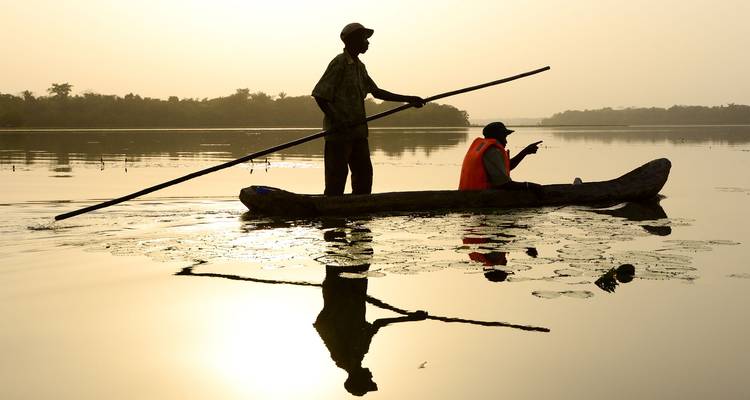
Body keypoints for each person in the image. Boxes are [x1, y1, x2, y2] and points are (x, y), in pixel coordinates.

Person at [313, 23, 425, 196]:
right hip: (338, 136)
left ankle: (360, 215)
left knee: (364, 176)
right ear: (352, 41)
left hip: (358, 133)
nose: (367, 43)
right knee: (336, 180)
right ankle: (332, 217)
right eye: (364, 38)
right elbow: (320, 95)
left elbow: (377, 92)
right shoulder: (339, 63)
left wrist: (409, 100)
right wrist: (337, 120)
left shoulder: (360, 67)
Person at [458, 121, 544, 195]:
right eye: (504, 137)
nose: (506, 141)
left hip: (469, 193)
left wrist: (525, 152)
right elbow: (503, 184)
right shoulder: (492, 151)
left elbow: (506, 167)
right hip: (480, 196)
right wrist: (528, 186)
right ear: (498, 136)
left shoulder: (481, 147)